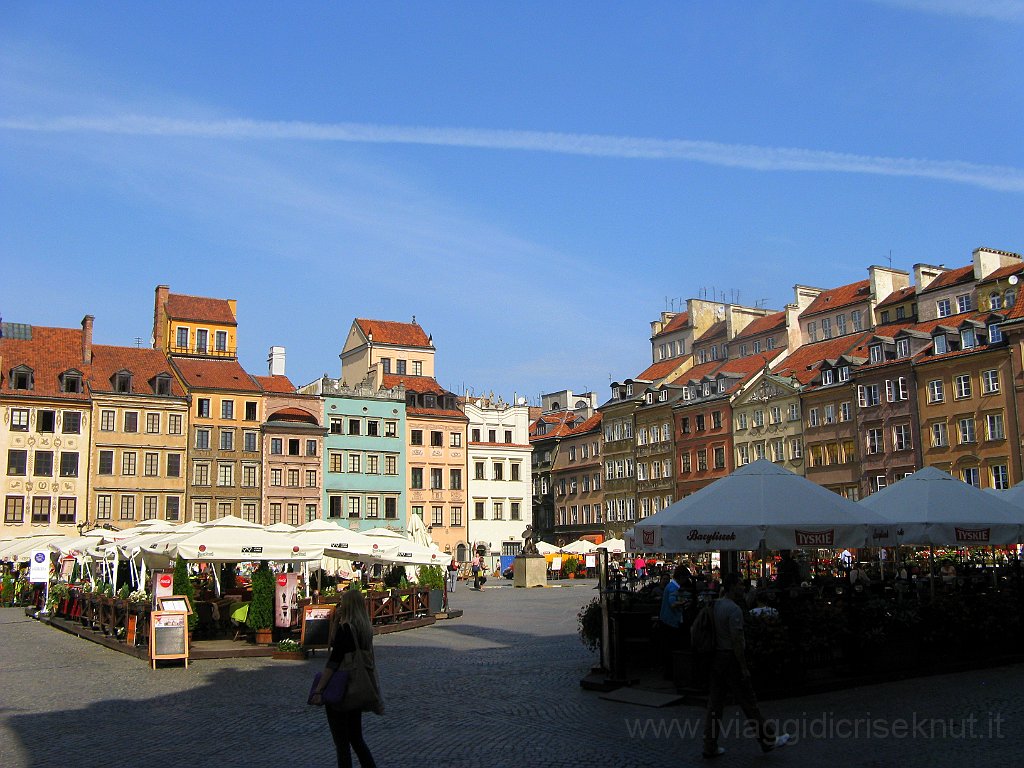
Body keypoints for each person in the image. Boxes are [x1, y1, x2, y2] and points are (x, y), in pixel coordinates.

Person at [702, 572, 791, 759]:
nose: (743, 587)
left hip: (717, 658)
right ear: (732, 586)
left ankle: (709, 745)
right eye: (741, 584)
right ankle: (768, 740)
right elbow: (737, 641)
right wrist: (743, 666)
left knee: (715, 705)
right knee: (749, 703)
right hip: (730, 659)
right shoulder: (733, 610)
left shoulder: (716, 605)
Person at [310, 589, 379, 768]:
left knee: (342, 743)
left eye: (342, 602)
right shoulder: (365, 629)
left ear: (347, 606)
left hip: (342, 686)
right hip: (358, 685)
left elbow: (334, 659)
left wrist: (319, 689)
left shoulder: (346, 628)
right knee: (356, 738)